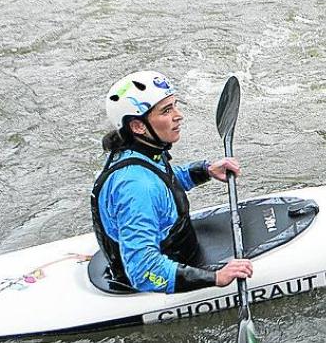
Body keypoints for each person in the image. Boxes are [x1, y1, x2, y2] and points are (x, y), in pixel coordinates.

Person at [91, 70, 254, 293]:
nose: (179, 116)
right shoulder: (137, 188)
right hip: (154, 275)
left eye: (175, 105)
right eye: (167, 111)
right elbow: (143, 271)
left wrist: (203, 171)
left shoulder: (137, 154)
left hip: (175, 248)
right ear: (138, 126)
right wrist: (215, 278)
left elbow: (163, 183)